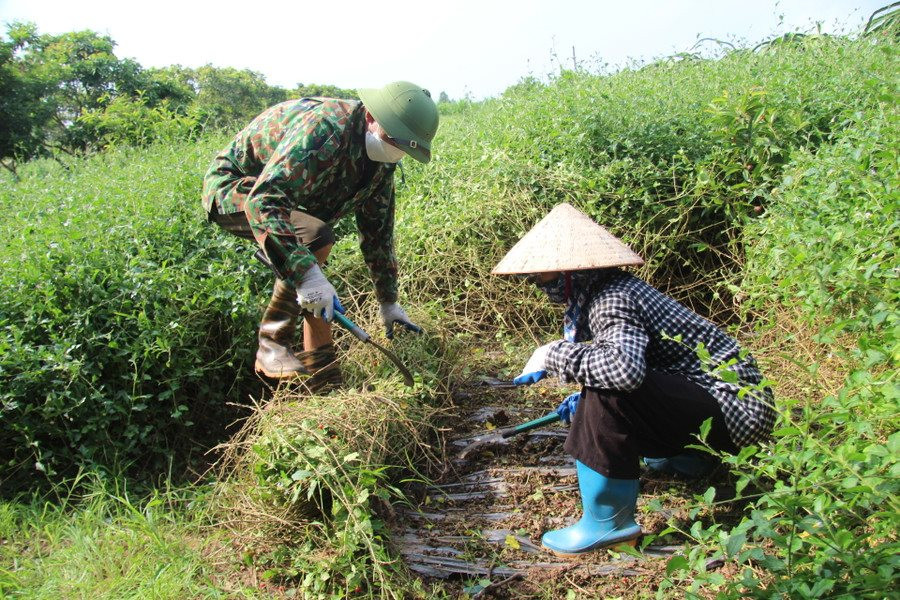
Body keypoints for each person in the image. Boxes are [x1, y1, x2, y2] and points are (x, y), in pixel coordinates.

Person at [492, 203, 775, 556]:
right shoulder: (609, 290)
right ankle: (689, 459)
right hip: (731, 405)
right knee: (598, 390)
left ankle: (607, 523)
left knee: (607, 391)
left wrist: (552, 354)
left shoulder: (612, 299)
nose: (536, 283)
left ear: (570, 271)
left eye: (542, 275)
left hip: (737, 411)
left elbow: (623, 371)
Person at [202, 81, 438, 390]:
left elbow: (378, 233)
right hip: (239, 188)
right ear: (370, 117)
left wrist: (388, 301)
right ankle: (271, 343)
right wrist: (307, 275)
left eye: (406, 146)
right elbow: (265, 200)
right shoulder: (325, 129)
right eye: (392, 139)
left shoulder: (382, 165)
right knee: (315, 242)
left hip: (293, 204)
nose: (396, 150)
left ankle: (323, 382)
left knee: (317, 284)